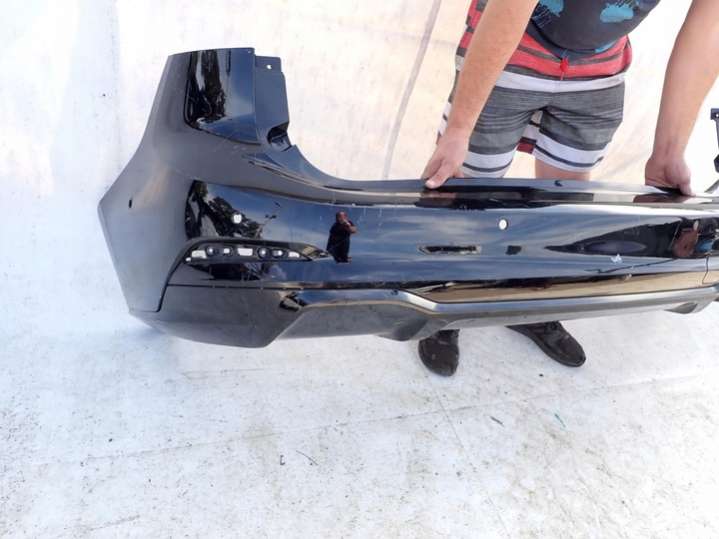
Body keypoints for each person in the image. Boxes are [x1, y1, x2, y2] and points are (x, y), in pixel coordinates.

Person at [418, 0, 719, 376]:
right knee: (469, 193)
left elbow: (709, 28)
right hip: (511, 46)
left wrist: (668, 151)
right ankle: (445, 305)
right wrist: (460, 127)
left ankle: (533, 302)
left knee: (565, 206)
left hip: (598, 68)